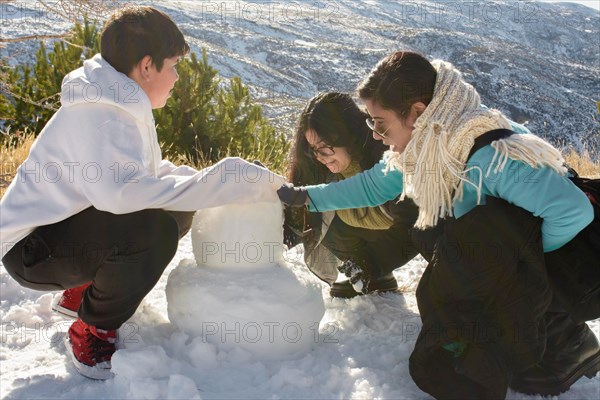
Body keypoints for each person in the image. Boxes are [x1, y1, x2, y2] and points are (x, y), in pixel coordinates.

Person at [277, 51, 599, 398]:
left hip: (579, 267)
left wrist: (524, 263)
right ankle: (520, 331)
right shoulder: (427, 147)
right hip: (517, 253)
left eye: (380, 123)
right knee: (434, 234)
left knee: (470, 246)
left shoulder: (491, 156)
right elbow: (372, 186)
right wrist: (304, 197)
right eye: (370, 122)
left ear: (417, 112)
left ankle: (570, 341)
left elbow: (573, 211)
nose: (375, 135)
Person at [0, 6, 282, 380]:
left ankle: (83, 290)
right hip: (29, 252)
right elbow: (122, 196)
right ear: (147, 67)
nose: (178, 76)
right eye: (174, 65)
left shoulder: (119, 100)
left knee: (176, 209)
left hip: (58, 233)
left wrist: (216, 180)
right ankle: (91, 327)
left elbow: (148, 177)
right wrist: (222, 179)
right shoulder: (102, 114)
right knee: (153, 231)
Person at [283, 92, 419, 298]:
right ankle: (372, 278)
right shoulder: (318, 165)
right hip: (360, 230)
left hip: (397, 231)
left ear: (348, 135)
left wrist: (370, 262)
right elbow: (300, 211)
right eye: (312, 149)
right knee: (316, 211)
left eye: (325, 148)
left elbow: (413, 226)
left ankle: (372, 270)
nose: (319, 157)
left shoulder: (386, 159)